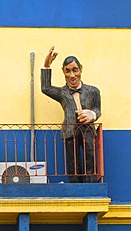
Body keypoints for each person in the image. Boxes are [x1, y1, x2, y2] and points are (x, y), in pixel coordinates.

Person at [41, 46, 101, 183]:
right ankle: (75, 186)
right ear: (63, 72)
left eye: (75, 70)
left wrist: (92, 114)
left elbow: (98, 109)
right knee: (72, 162)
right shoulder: (62, 92)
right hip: (70, 131)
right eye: (67, 71)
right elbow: (45, 88)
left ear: (81, 69)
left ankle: (90, 186)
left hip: (88, 130)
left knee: (90, 159)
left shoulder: (93, 91)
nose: (72, 75)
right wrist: (46, 65)